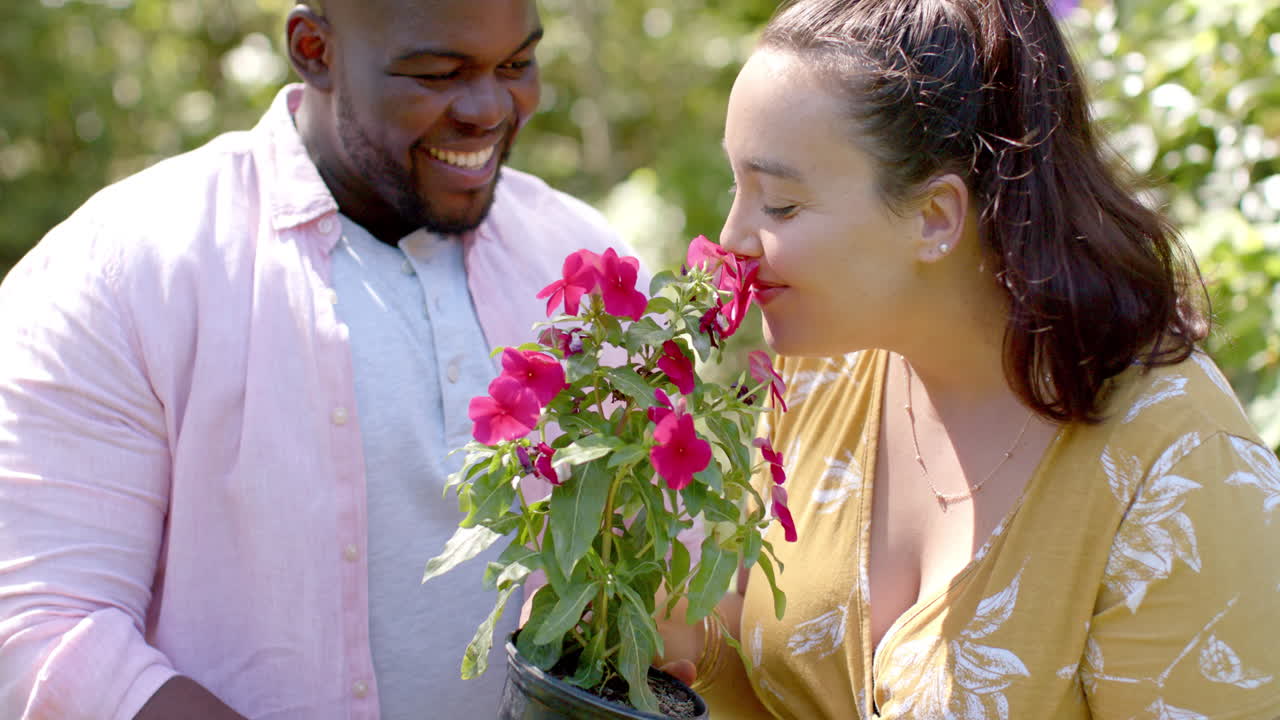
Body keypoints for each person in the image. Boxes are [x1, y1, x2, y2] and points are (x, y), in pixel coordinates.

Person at [0, 1, 645, 718]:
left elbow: (655, 577)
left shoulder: (581, 266)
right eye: (436, 73)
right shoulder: (125, 271)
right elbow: (40, 633)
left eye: (517, 64)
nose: (491, 109)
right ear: (314, 48)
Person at [666, 0, 1280, 717]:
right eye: (738, 188)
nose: (731, 239)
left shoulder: (1183, 467)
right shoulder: (822, 368)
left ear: (934, 218)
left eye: (780, 205)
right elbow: (779, 695)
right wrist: (684, 642)